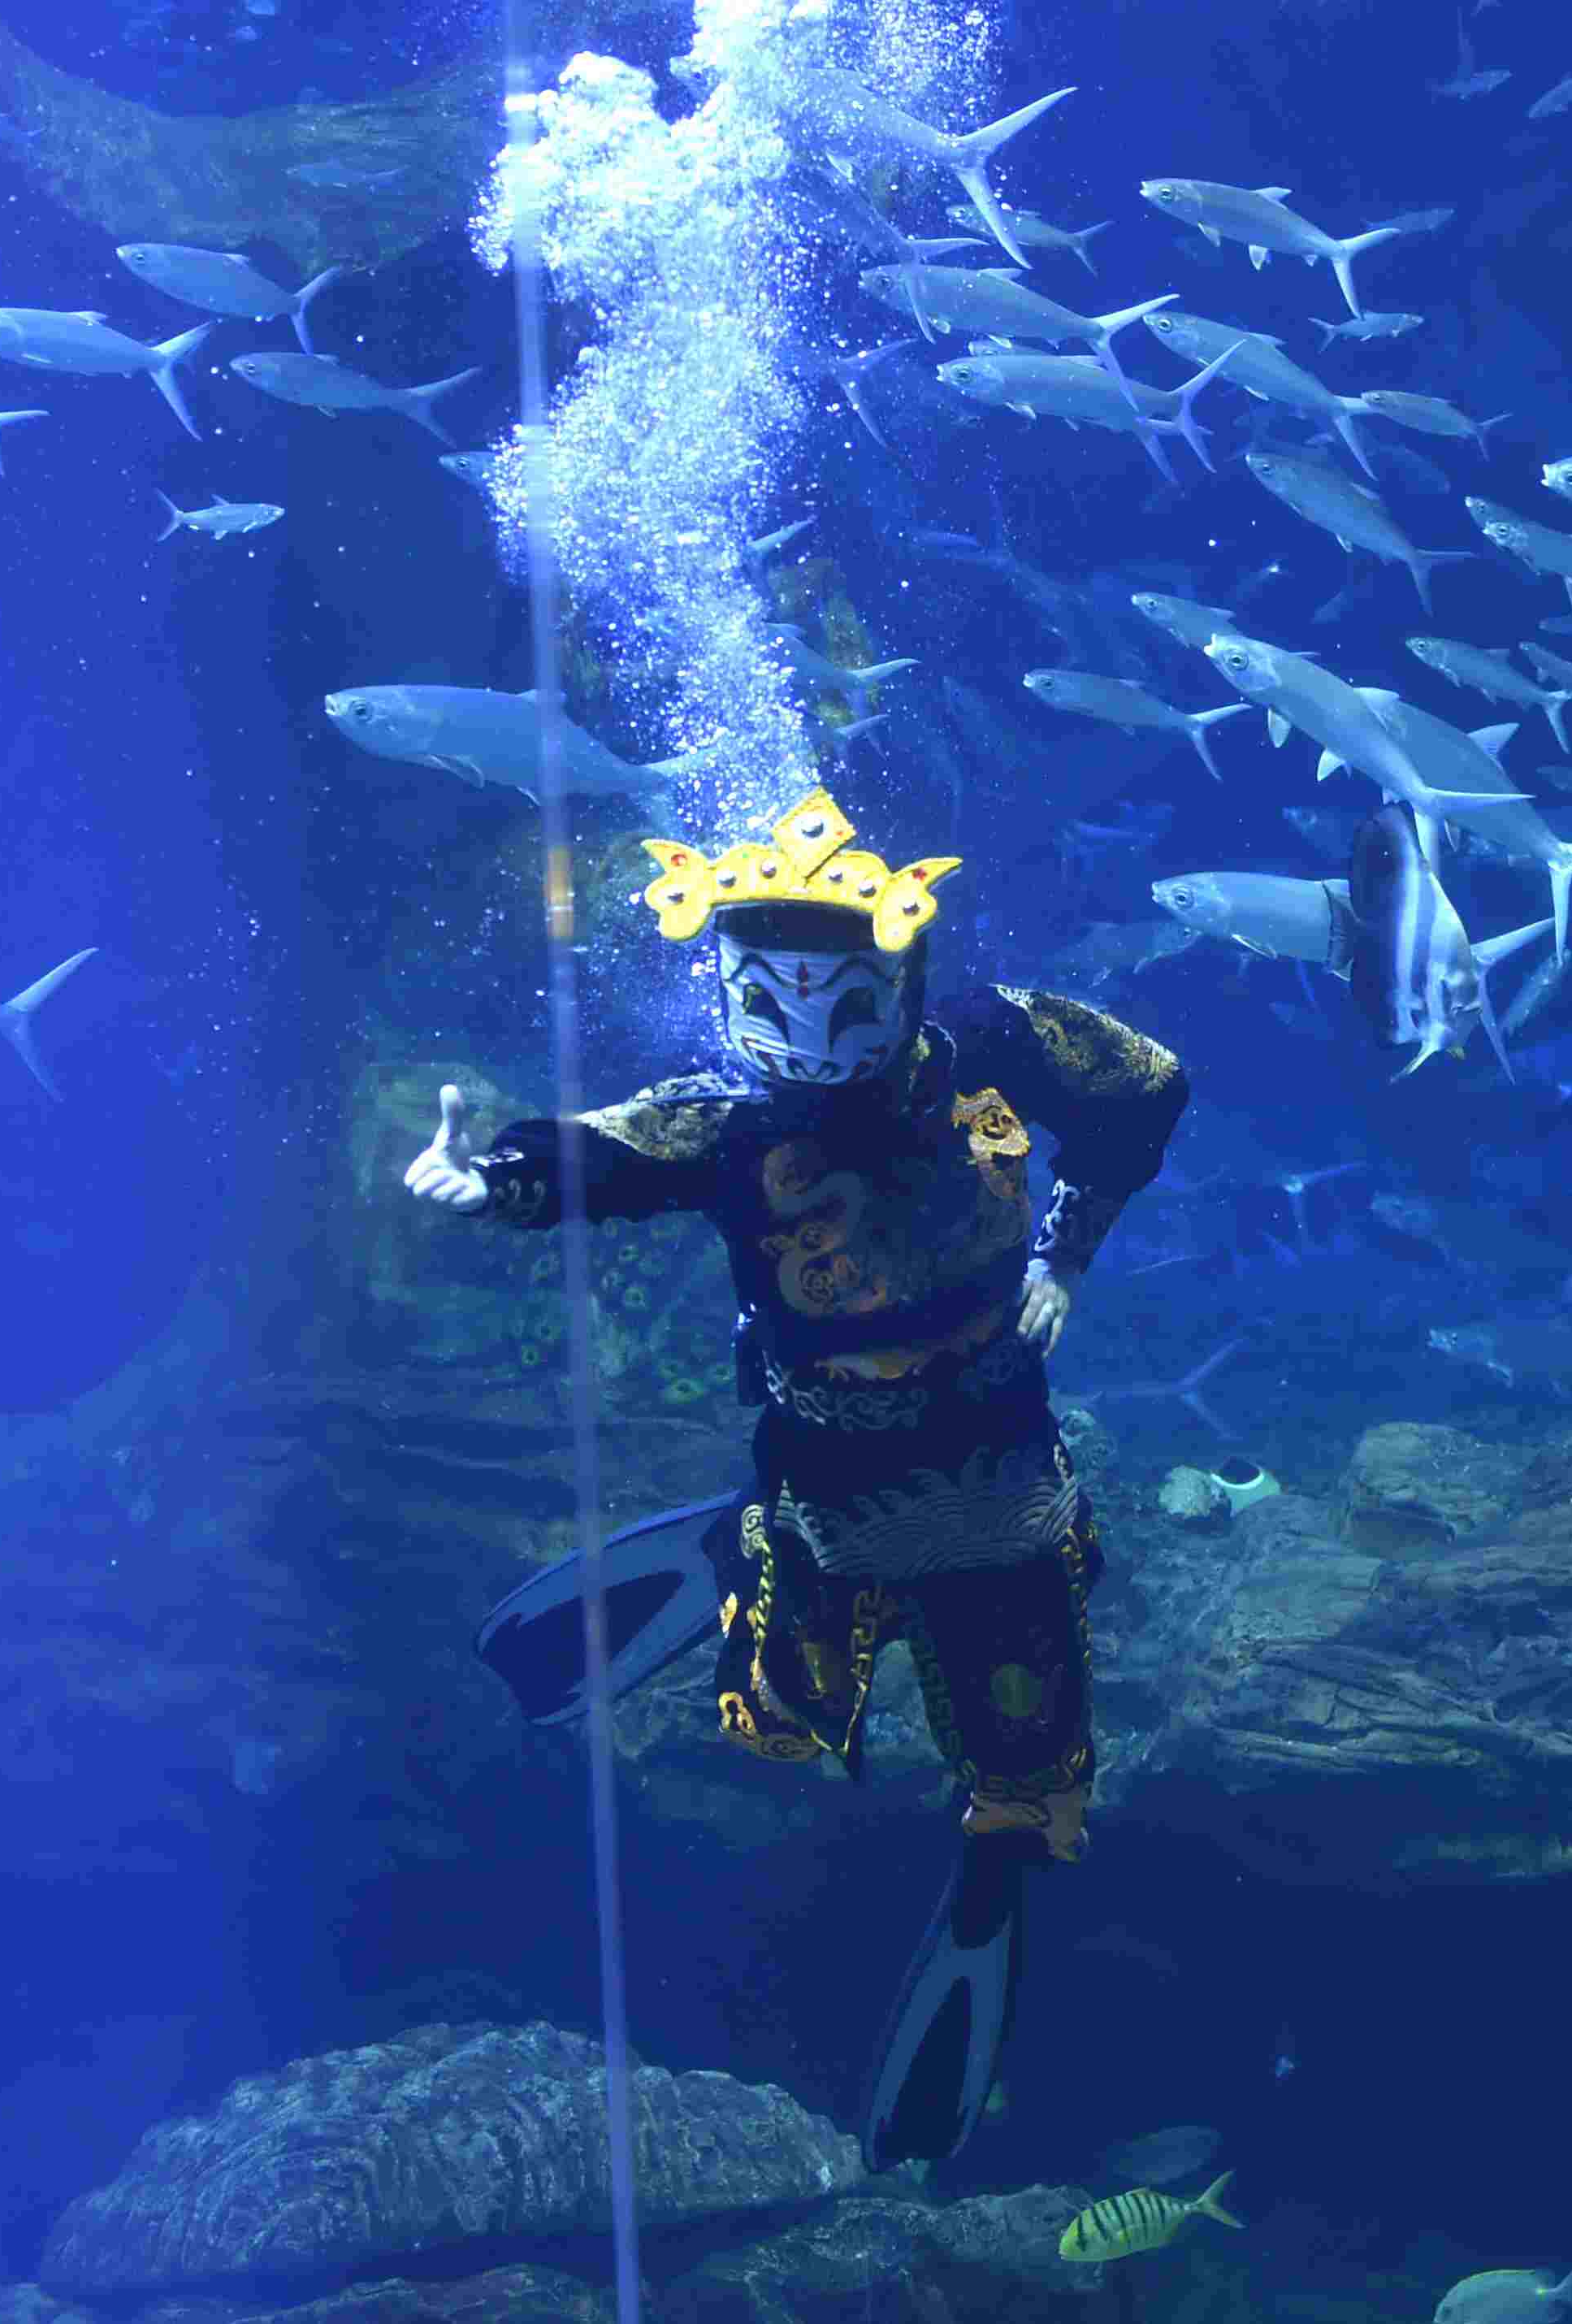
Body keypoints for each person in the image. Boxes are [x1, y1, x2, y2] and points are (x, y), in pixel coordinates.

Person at [402, 785, 1189, 2159]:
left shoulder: (994, 1041)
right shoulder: (736, 1125)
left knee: (1030, 1756)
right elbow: (610, 1148)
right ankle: (737, 1548)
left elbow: (1144, 1084)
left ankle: (993, 1879)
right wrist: (500, 1177)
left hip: (1001, 1469)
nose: (810, 1036)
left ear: (904, 976)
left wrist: (1070, 1246)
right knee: (784, 1713)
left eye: (841, 998)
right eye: (772, 997)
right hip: (825, 1479)